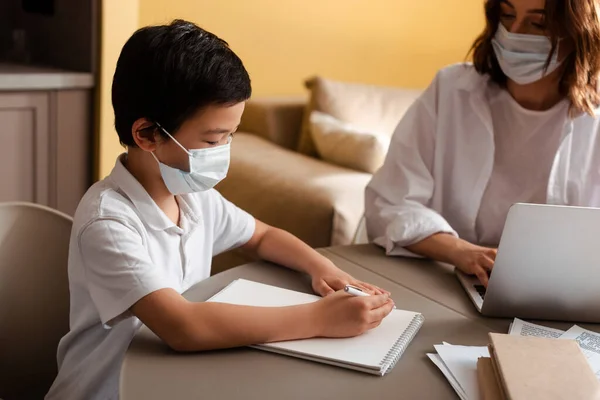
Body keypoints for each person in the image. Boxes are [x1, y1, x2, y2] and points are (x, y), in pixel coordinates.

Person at [46, 20, 394, 400]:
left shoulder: (193, 196)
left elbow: (261, 236)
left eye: (231, 135)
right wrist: (320, 319)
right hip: (106, 389)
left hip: (176, 380)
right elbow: (183, 327)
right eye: (213, 139)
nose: (224, 150)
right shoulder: (109, 222)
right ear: (146, 134)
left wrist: (323, 268)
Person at [365, 0, 600, 287]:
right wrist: (464, 253)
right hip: (444, 277)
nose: (513, 32)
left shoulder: (594, 121)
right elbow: (389, 201)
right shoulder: (451, 90)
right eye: (507, 15)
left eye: (538, 23)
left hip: (563, 290)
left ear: (578, 33)